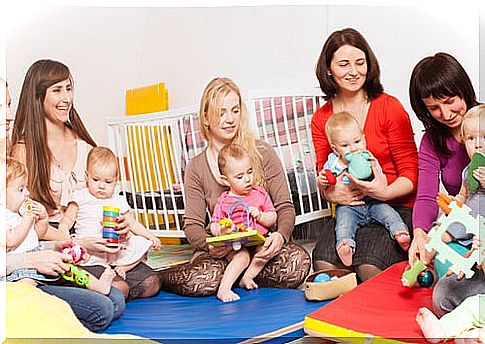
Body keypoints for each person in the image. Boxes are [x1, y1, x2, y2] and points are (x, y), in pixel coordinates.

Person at [10, 59, 159, 299]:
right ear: (38, 97)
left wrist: (121, 224)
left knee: (151, 283)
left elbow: (105, 193)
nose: (66, 97)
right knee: (117, 289)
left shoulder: (85, 146)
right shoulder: (24, 150)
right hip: (56, 239)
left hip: (96, 232)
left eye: (69, 88)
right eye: (57, 90)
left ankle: (104, 283)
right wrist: (76, 241)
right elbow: (23, 219)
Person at [159, 77, 311, 296]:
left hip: (261, 251)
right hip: (225, 254)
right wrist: (210, 245)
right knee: (198, 281)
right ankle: (163, 276)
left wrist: (280, 237)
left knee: (297, 264)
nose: (230, 119)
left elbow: (285, 207)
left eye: (235, 110)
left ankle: (243, 277)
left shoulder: (262, 152)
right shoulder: (197, 166)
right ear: (206, 117)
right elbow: (192, 225)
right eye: (221, 112)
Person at [310, 28, 418, 281]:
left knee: (369, 267)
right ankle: (336, 320)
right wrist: (331, 192)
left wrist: (384, 192)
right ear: (328, 70)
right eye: (344, 64)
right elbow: (324, 171)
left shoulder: (388, 107)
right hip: (351, 208)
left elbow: (411, 172)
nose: (354, 71)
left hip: (394, 205)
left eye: (360, 63)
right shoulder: (321, 118)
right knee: (325, 264)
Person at [408, 52, 481, 273]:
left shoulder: (483, 119)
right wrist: (419, 232)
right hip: (464, 226)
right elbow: (426, 196)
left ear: (463, 91)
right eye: (434, 108)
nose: (446, 113)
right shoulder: (431, 141)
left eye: (450, 102)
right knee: (445, 265)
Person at [4, 156, 117, 294]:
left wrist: (43, 219)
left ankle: (99, 286)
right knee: (26, 287)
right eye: (21, 189)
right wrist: (27, 220)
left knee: (71, 270)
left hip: (38, 252)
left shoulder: (19, 212)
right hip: (22, 268)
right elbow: (10, 241)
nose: (27, 193)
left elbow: (36, 235)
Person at [59, 146, 161, 296]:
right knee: (119, 289)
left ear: (115, 181)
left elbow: (133, 224)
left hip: (115, 253)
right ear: (87, 176)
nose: (101, 186)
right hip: (90, 254)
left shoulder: (118, 201)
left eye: (108, 182)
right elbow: (68, 218)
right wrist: (63, 230)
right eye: (95, 180)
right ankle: (107, 288)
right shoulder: (80, 196)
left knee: (153, 283)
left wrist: (150, 236)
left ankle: (119, 277)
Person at [321, 111, 410, 266]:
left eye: (357, 141)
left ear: (364, 139)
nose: (353, 148)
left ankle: (400, 233)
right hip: (349, 206)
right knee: (342, 223)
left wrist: (375, 169)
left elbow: (381, 179)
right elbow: (326, 181)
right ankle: (345, 246)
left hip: (373, 200)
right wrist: (322, 181)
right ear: (335, 149)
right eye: (345, 145)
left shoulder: (368, 157)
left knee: (389, 213)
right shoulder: (334, 163)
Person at [210, 143, 277, 302]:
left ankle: (247, 277)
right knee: (242, 257)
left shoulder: (260, 194)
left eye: (249, 172)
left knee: (266, 250)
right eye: (239, 177)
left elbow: (273, 217)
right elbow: (214, 224)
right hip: (236, 245)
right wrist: (222, 230)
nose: (247, 179)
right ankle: (224, 289)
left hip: (258, 239)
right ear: (226, 181)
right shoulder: (224, 201)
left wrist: (260, 216)